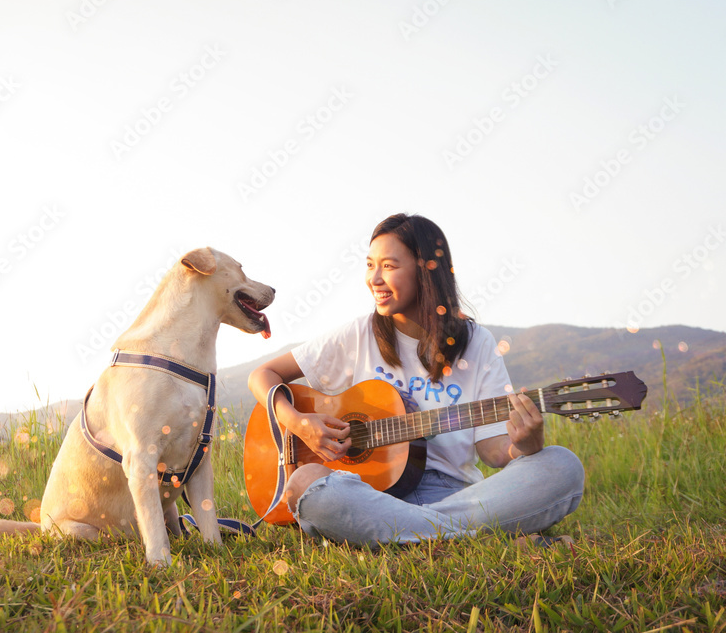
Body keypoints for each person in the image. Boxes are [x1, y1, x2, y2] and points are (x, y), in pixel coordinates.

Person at [247, 213, 585, 547]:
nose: (374, 279)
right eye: (369, 265)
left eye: (389, 266)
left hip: (456, 496)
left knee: (561, 466)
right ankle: (476, 541)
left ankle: (419, 536)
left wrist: (525, 445)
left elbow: (493, 451)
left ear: (426, 271)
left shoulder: (476, 342)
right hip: (368, 494)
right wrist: (298, 421)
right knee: (306, 481)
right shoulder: (359, 334)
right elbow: (263, 375)